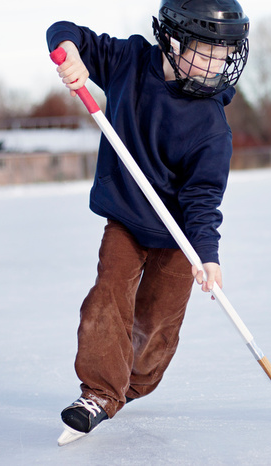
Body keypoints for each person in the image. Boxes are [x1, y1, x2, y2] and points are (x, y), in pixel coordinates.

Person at [46, 0, 250, 444]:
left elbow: (203, 197)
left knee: (157, 324)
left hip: (180, 239)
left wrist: (207, 256)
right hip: (126, 218)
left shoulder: (211, 125)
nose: (217, 63)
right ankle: (99, 393)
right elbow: (64, 31)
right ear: (173, 39)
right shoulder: (129, 61)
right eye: (207, 50)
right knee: (108, 296)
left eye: (225, 53)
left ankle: (130, 384)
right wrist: (71, 53)